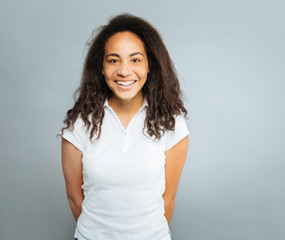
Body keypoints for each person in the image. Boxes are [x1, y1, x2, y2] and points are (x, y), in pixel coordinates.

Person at [59, 13, 189, 240]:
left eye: (135, 59)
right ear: (101, 67)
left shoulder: (172, 123)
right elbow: (74, 198)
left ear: (150, 65)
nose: (124, 71)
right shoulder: (80, 125)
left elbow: (168, 199)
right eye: (113, 60)